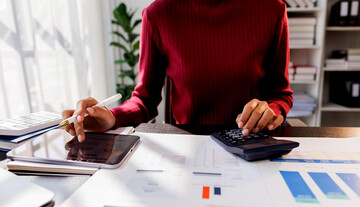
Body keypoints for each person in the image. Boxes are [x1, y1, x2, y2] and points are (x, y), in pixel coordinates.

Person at [63, 0, 293, 142]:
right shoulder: (158, 14)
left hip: (252, 142)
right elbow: (145, 100)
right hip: (188, 149)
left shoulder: (272, 9)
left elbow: (280, 93)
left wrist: (270, 110)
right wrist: (112, 117)